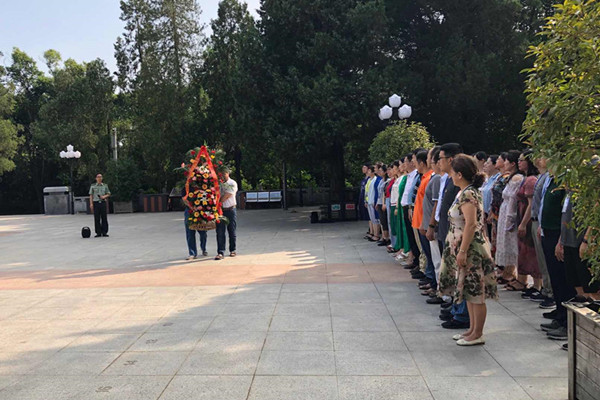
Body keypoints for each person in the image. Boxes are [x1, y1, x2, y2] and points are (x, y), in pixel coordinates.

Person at [438, 155, 497, 346]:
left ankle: (478, 333)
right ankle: (472, 329)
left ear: (459, 174)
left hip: (471, 248)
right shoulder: (464, 192)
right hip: (462, 245)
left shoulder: (469, 194)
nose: (451, 175)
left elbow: (471, 224)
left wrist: (462, 251)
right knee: (468, 291)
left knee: (475, 291)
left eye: (453, 172)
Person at [437, 143, 470, 329]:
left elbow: (470, 223)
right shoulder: (452, 182)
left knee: (462, 277)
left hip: (461, 239)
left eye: (440, 158)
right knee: (455, 275)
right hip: (451, 234)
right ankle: (457, 308)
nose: (438, 162)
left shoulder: (466, 189)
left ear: (450, 160)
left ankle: (462, 314)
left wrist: (463, 249)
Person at [495, 150, 523, 289]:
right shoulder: (511, 177)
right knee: (505, 243)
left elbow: (513, 199)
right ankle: (508, 272)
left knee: (511, 243)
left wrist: (510, 218)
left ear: (512, 163)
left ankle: (513, 274)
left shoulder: (517, 178)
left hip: (509, 212)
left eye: (506, 161)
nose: (504, 163)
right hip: (504, 210)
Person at [529, 157, 555, 307]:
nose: (538, 159)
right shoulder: (542, 176)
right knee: (541, 258)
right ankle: (546, 288)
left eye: (542, 156)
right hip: (537, 221)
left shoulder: (549, 177)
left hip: (542, 222)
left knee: (546, 259)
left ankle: (550, 291)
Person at [516, 150, 542, 295]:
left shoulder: (531, 180)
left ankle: (538, 285)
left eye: (522, 160)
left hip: (528, 220)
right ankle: (536, 285)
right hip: (523, 217)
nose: (519, 163)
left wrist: (523, 223)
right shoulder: (526, 178)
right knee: (527, 252)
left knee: (532, 252)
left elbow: (530, 204)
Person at [215, 168, 238, 260]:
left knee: (231, 230)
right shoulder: (218, 184)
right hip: (220, 210)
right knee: (220, 232)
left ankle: (233, 250)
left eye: (224, 173)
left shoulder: (232, 183)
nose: (223, 175)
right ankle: (220, 252)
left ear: (228, 173)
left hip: (230, 209)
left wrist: (218, 202)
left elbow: (228, 195)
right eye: (221, 174)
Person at [182, 187, 208, 260]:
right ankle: (192, 253)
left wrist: (202, 206)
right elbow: (184, 199)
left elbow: (207, 197)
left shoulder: (203, 185)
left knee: (203, 232)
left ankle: (203, 248)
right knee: (190, 232)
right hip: (189, 211)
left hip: (201, 210)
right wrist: (191, 207)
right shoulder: (186, 187)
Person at [89, 173, 110, 238]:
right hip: (96, 202)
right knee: (97, 218)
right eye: (98, 177)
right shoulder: (93, 186)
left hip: (103, 202)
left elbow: (108, 193)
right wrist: (91, 204)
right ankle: (98, 232)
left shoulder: (105, 186)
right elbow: (91, 195)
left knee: (104, 217)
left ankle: (104, 232)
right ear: (96, 178)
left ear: (102, 178)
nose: (99, 178)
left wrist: (104, 196)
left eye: (100, 177)